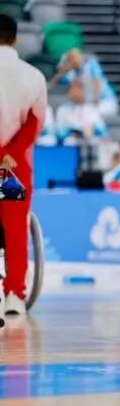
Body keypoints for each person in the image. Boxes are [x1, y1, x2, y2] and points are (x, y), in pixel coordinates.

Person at [0, 14, 48, 321]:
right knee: (16, 229)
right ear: (15, 39)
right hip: (10, 170)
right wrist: (10, 154)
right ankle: (15, 295)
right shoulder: (34, 77)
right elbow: (33, 124)